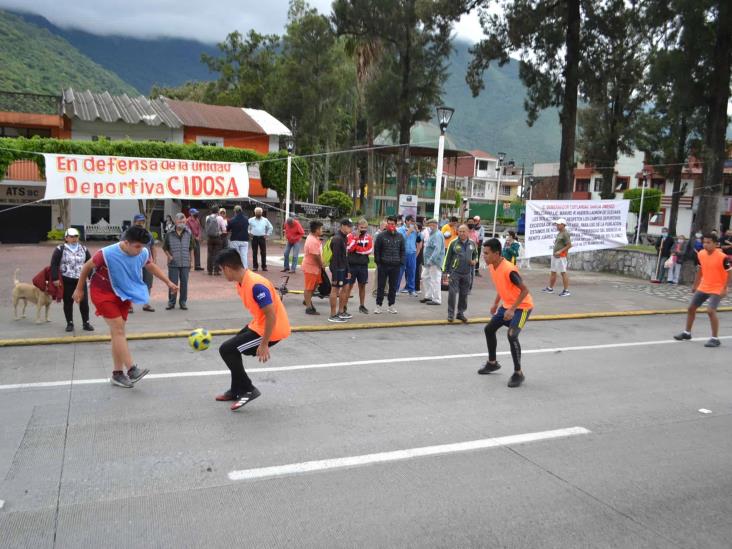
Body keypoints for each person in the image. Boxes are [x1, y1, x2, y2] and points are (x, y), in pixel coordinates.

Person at [73, 226, 178, 388]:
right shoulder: (106, 253)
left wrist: (168, 282)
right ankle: (131, 369)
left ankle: (117, 374)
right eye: (137, 246)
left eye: (143, 246)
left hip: (123, 293)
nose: (140, 250)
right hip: (102, 292)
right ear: (126, 242)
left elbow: (150, 266)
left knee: (117, 333)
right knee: (118, 329)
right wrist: (79, 289)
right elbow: (87, 267)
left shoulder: (142, 252)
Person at [214, 248, 291, 411]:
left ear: (227, 268)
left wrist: (264, 344)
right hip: (259, 324)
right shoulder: (242, 282)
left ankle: (248, 389)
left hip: (272, 329)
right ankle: (236, 389)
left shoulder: (256, 285)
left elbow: (271, 316)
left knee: (227, 349)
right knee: (231, 348)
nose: (222, 274)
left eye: (221, 270)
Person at [478, 238, 534, 388]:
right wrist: (496, 303)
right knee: (489, 329)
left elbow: (525, 290)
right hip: (507, 305)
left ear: (496, 254)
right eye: (483, 253)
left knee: (512, 335)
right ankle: (492, 363)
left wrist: (512, 309)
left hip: (522, 306)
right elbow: (502, 286)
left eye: (487, 253)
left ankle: (518, 373)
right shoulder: (492, 266)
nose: (484, 256)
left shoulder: (509, 269)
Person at [674, 234, 730, 347]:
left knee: (710, 311)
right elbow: (700, 270)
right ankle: (687, 333)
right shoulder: (701, 254)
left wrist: (725, 288)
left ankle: (715, 338)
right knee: (691, 308)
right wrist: (695, 285)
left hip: (717, 287)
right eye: (704, 242)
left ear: (715, 244)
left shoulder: (723, 257)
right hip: (704, 286)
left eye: (709, 242)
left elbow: (730, 272)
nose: (706, 245)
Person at [50, 228, 94, 332]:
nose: (74, 239)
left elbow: (90, 263)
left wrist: (91, 277)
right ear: (66, 238)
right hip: (67, 279)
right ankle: (69, 323)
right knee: (68, 302)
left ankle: (86, 323)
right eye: (71, 237)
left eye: (76, 236)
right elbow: (54, 264)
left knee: (84, 303)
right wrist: (55, 278)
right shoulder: (60, 249)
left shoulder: (84, 249)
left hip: (80, 280)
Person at [444, 224, 478, 323]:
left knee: (464, 294)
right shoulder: (453, 243)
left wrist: (474, 261)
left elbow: (476, 255)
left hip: (467, 273)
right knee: (452, 294)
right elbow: (447, 257)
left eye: (464, 231)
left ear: (468, 232)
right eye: (460, 231)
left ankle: (460, 313)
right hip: (454, 273)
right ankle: (450, 314)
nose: (462, 233)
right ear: (458, 232)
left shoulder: (472, 243)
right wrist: (445, 271)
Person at [125, 214, 156, 312]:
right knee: (131, 283)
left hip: (146, 262)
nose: (141, 224)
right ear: (134, 222)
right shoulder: (128, 233)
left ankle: (146, 304)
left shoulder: (148, 233)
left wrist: (154, 260)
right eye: (139, 222)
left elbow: (153, 247)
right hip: (132, 262)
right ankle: (129, 305)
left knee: (148, 283)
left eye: (142, 222)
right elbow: (123, 246)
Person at [373, 215, 405, 314]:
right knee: (381, 286)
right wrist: (378, 262)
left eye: (393, 224)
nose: (391, 225)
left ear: (396, 224)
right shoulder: (381, 236)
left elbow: (402, 250)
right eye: (389, 223)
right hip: (383, 265)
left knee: (393, 287)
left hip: (395, 266)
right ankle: (378, 305)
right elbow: (377, 249)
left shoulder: (400, 236)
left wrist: (401, 261)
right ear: (387, 223)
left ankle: (391, 305)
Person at [163, 213, 194, 310]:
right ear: (175, 222)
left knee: (184, 283)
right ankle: (171, 302)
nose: (182, 223)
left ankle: (183, 302)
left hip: (185, 262)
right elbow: (164, 248)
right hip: (173, 263)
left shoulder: (188, 233)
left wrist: (191, 262)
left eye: (183, 221)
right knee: (173, 283)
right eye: (180, 221)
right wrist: (169, 256)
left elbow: (191, 248)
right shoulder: (169, 233)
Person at [346, 218, 374, 314]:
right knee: (348, 286)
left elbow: (369, 250)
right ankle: (344, 306)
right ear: (357, 226)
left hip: (363, 265)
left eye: (365, 228)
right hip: (351, 265)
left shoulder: (369, 237)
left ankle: (362, 305)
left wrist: (357, 250)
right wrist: (356, 239)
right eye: (361, 227)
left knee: (362, 286)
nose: (363, 229)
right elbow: (349, 249)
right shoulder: (350, 235)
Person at [328, 219, 352, 322]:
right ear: (342, 226)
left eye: (351, 227)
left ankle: (341, 311)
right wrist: (334, 274)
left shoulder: (344, 238)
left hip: (343, 268)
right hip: (337, 268)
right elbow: (335, 258)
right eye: (348, 226)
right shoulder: (337, 239)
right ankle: (333, 315)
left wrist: (348, 270)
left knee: (346, 288)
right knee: (335, 289)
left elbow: (345, 256)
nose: (350, 229)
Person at [542, 218, 572, 297]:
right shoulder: (560, 233)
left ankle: (566, 291)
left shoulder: (565, 233)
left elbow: (569, 245)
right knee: (553, 272)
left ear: (563, 225)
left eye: (558, 224)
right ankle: (550, 288)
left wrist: (560, 251)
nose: (557, 225)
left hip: (561, 256)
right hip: (555, 256)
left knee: (563, 272)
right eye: (557, 224)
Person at [420, 218, 445, 306]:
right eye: (428, 225)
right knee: (425, 277)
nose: (429, 227)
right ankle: (429, 296)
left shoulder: (437, 235)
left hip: (434, 262)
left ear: (434, 225)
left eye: (430, 225)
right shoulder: (433, 234)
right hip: (429, 261)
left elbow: (437, 249)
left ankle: (437, 299)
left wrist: (431, 260)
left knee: (435, 280)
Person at [302, 220, 324, 315]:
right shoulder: (312, 241)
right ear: (317, 230)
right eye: (321, 229)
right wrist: (321, 264)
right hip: (311, 267)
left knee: (313, 286)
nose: (322, 230)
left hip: (314, 268)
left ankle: (307, 301)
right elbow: (315, 256)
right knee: (309, 288)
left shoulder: (314, 238)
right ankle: (308, 308)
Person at [397, 215, 419, 296]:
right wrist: (408, 231)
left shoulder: (414, 230)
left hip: (412, 253)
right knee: (400, 272)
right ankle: (396, 289)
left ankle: (411, 289)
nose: (412, 223)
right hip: (403, 253)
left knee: (412, 272)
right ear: (406, 221)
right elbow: (400, 239)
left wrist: (418, 231)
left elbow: (420, 239)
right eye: (411, 221)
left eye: (413, 221)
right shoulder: (400, 229)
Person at [249, 207, 273, 271]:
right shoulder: (251, 220)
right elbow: (247, 227)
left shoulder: (265, 220)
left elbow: (270, 227)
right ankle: (255, 266)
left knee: (263, 252)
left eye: (259, 212)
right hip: (254, 237)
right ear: (255, 213)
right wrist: (249, 232)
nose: (258, 213)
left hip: (262, 238)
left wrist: (267, 234)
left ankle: (264, 266)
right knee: (254, 252)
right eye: (257, 212)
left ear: (261, 213)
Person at [205, 208, 224, 276]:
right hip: (217, 238)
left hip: (209, 238)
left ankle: (209, 271)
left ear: (211, 211)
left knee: (210, 254)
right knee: (217, 254)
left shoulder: (207, 217)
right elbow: (224, 229)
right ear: (217, 211)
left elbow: (206, 227)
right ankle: (216, 271)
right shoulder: (220, 218)